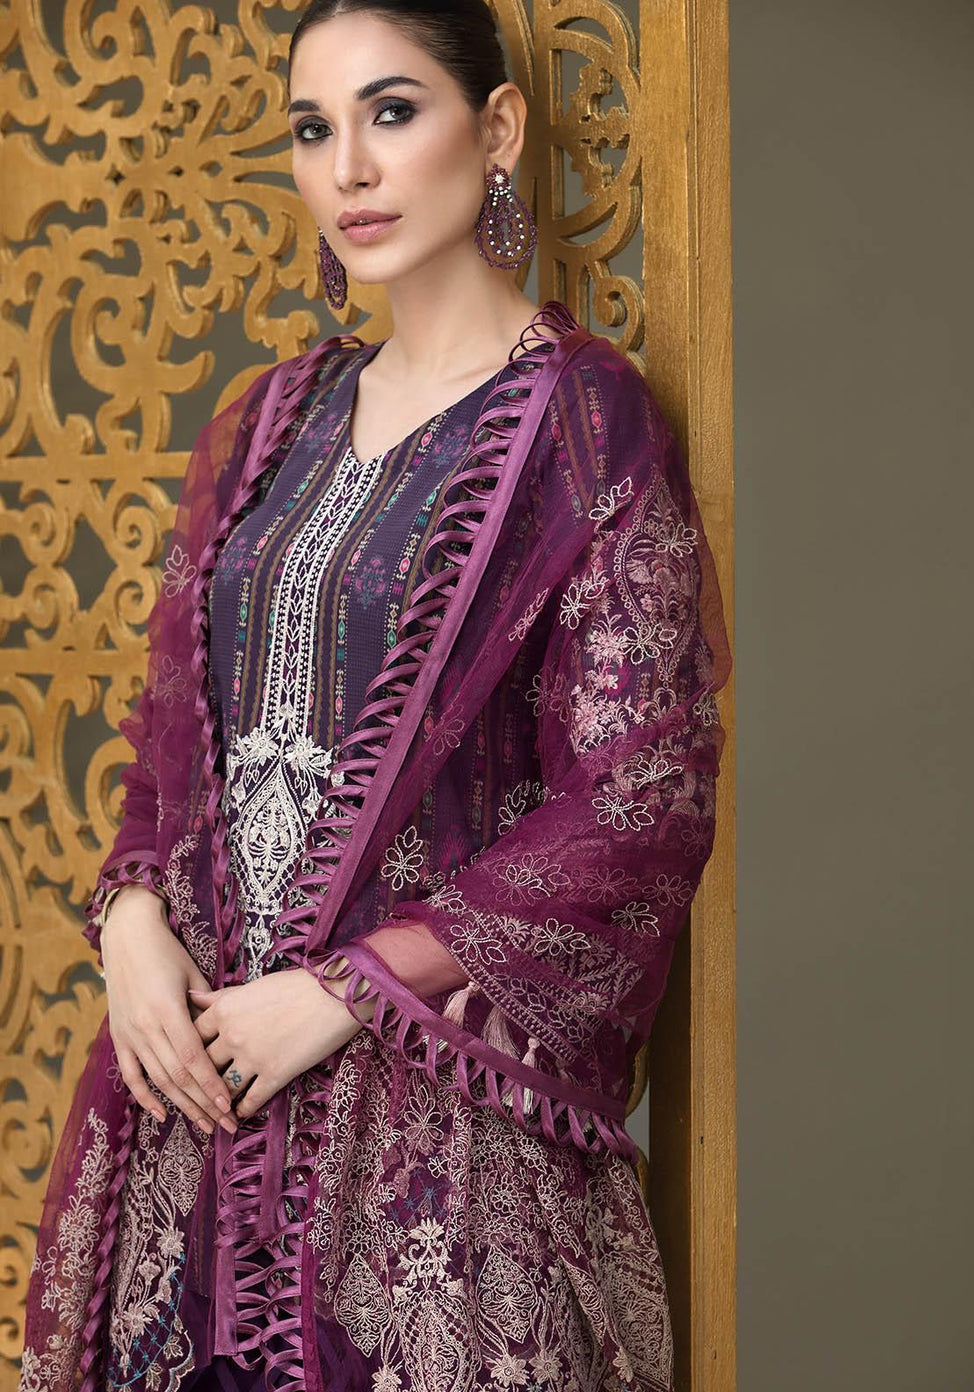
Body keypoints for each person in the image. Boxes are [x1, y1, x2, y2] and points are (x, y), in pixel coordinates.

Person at [18, 2, 732, 1390]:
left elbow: (639, 797)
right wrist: (132, 925)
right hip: (200, 1108)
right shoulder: (269, 423)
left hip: (429, 1141)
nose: (348, 166)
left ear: (498, 128)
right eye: (313, 128)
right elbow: (173, 752)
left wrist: (347, 989)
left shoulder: (584, 424)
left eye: (392, 112)